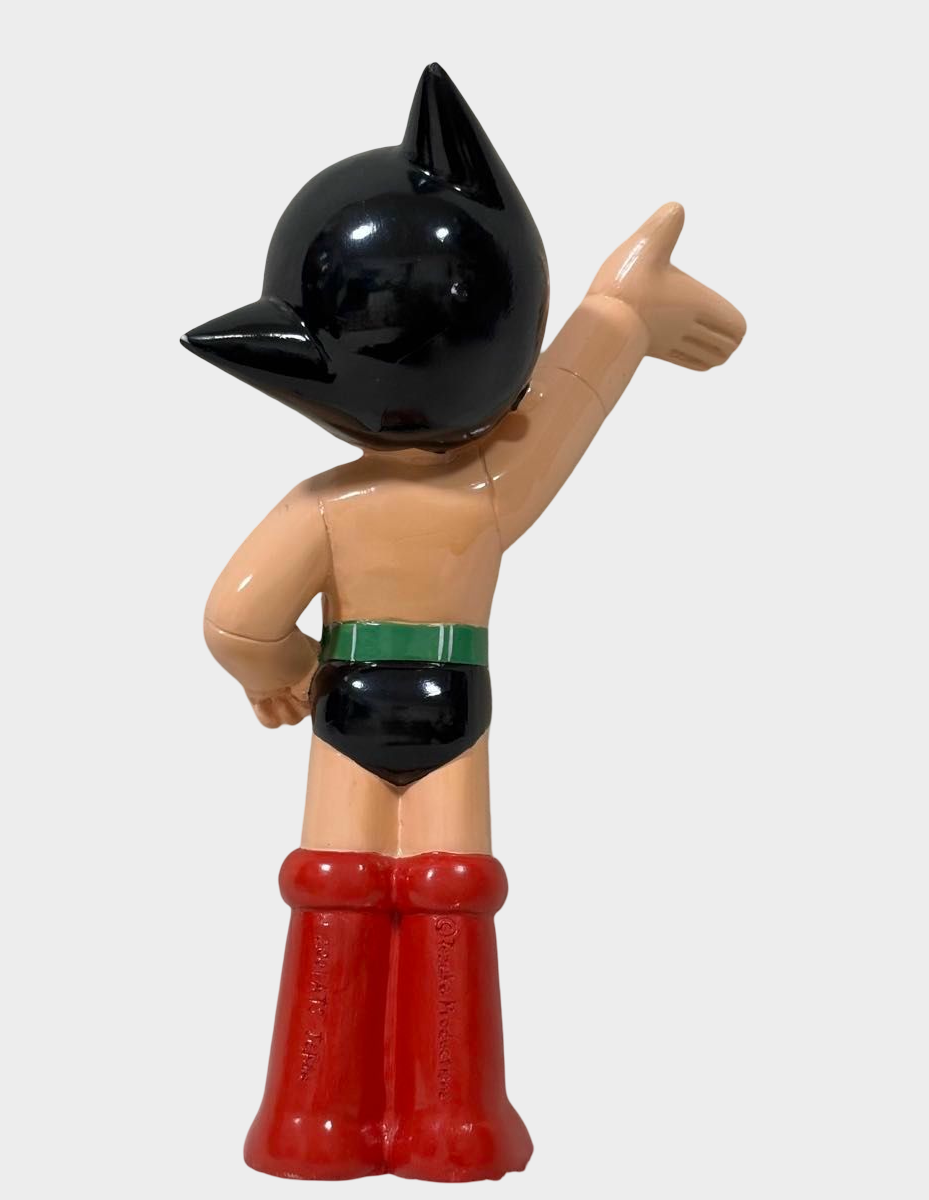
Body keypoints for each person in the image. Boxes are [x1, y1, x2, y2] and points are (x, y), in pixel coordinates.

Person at [182, 63, 745, 1182]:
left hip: (345, 704)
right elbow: (568, 406)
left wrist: (280, 671)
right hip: (458, 704)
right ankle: (451, 1120)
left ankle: (314, 1117)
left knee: (335, 884)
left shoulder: (326, 507)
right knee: (449, 888)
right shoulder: (486, 496)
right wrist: (621, 312)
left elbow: (235, 619)